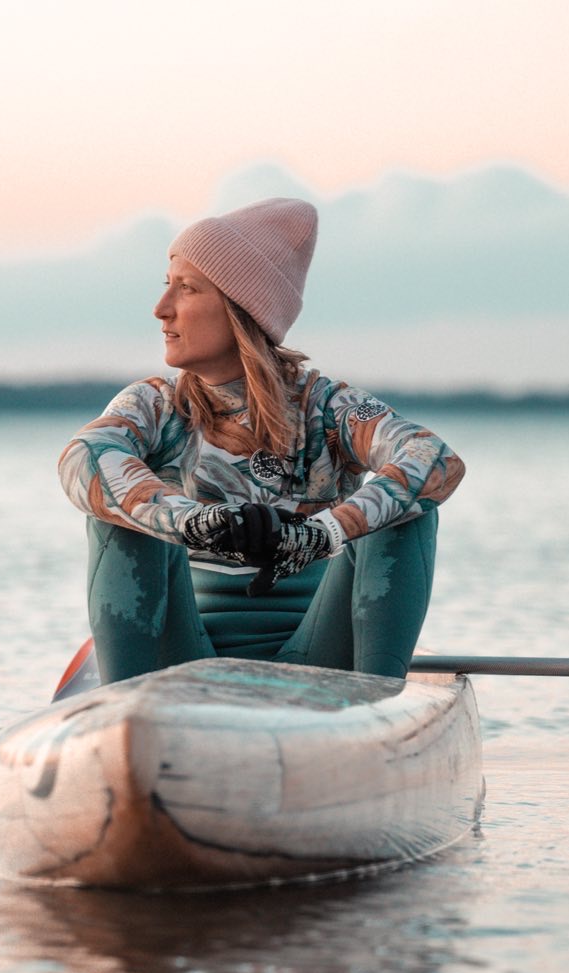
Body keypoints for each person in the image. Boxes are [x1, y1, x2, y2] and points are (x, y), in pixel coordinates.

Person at [58, 197, 465, 683]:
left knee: (409, 506)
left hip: (319, 658)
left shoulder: (328, 408)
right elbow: (82, 458)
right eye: (167, 286)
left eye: (186, 289)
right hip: (183, 662)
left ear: (240, 309)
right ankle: (125, 711)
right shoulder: (156, 405)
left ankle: (379, 709)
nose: (160, 309)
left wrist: (320, 534)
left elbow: (436, 458)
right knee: (115, 509)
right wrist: (195, 521)